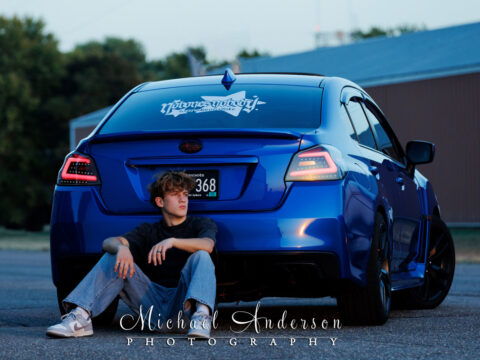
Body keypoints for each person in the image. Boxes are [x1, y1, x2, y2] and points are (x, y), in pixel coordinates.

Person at [46, 171, 217, 339]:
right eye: (175, 194)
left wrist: (172, 241)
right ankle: (80, 318)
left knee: (201, 256)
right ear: (160, 201)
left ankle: (201, 318)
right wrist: (121, 248)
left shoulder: (200, 224)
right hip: (153, 308)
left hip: (185, 311)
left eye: (185, 194)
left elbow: (208, 245)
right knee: (113, 255)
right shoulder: (148, 231)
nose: (183, 199)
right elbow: (108, 242)